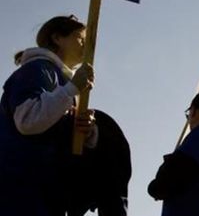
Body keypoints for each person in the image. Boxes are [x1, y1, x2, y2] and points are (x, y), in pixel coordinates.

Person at [0, 15, 131, 216]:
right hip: (22, 189)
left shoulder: (61, 80)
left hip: (48, 192)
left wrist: (86, 132)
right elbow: (28, 120)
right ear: (57, 38)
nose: (85, 45)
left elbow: (59, 132)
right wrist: (71, 89)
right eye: (80, 38)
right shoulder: (38, 69)